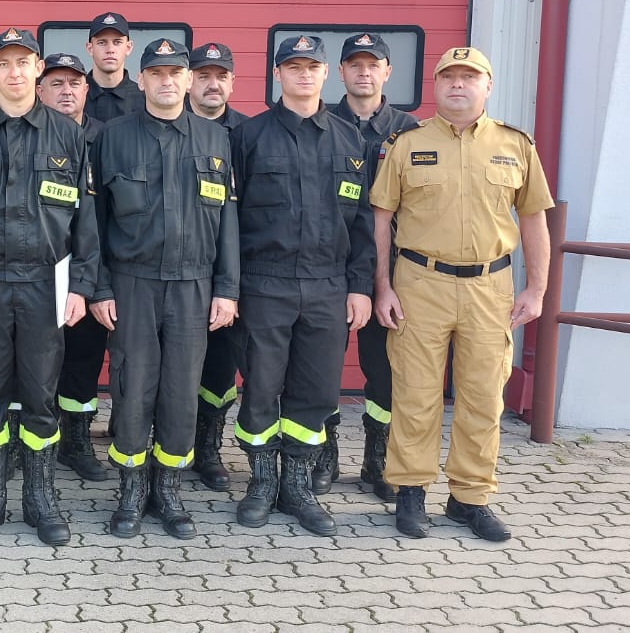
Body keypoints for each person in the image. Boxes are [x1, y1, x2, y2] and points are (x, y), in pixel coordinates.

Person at [372, 47, 553, 542]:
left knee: (483, 396)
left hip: (490, 289)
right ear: (434, 86)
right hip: (420, 283)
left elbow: (533, 219)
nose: (458, 84)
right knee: (415, 394)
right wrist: (382, 286)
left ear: (487, 86)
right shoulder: (407, 144)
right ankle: (411, 491)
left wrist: (537, 289)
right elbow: (382, 219)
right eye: (448, 76)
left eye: (469, 77)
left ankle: (469, 498)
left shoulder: (515, 145)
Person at [0, 28, 99, 547]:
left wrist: (80, 286)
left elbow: (85, 218)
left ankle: (41, 499)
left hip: (45, 283)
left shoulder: (68, 135)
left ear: (37, 70)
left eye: (23, 62)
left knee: (40, 393)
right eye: (4, 63)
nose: (14, 72)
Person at [89, 38, 239, 539]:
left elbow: (229, 220)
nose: (167, 81)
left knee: (180, 392)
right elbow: (95, 220)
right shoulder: (112, 137)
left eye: (176, 73)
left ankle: (168, 490)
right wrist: (100, 288)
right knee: (133, 388)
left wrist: (227, 288)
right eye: (157, 73)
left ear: (189, 80)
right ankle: (131, 490)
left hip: (194, 285)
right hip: (132, 285)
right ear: (142, 79)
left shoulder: (216, 139)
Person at [229, 35, 375, 536]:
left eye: (312, 67)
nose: (304, 74)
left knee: (315, 391)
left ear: (326, 73)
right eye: (293, 67)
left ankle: (297, 486)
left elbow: (362, 221)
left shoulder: (350, 141)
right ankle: (261, 482)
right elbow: (228, 220)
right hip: (264, 285)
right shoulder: (248, 136)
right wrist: (232, 287)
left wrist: (360, 286)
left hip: (327, 286)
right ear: (277, 74)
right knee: (261, 388)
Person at [320, 32, 420, 502]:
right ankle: (323, 455)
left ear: (387, 72)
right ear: (340, 72)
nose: (364, 72)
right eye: (355, 64)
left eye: (373, 64)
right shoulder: (320, 122)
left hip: (390, 271)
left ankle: (377, 460)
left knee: (384, 370)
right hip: (327, 267)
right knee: (321, 367)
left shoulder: (410, 131)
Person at [37, 53, 111, 482]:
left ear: (86, 89)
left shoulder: (107, 138)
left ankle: (76, 441)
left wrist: (101, 282)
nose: (66, 91)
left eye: (74, 83)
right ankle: (30, 437)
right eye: (57, 83)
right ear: (40, 90)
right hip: (39, 267)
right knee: (32, 357)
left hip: (90, 265)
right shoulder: (28, 133)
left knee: (84, 357)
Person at [185, 41, 251, 493]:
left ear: (232, 82)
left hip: (230, 271)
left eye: (221, 76)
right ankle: (168, 443)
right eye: (204, 75)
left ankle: (207, 448)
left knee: (220, 365)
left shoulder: (247, 135)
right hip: (177, 270)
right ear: (189, 81)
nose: (213, 84)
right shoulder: (169, 126)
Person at [83, 12, 142, 123]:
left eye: (117, 42)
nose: (110, 50)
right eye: (102, 42)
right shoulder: (75, 96)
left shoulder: (145, 99)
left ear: (128, 47)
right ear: (90, 48)